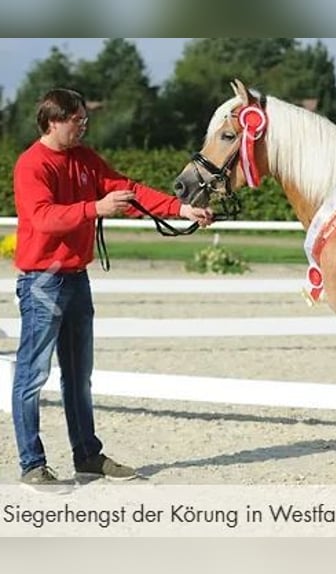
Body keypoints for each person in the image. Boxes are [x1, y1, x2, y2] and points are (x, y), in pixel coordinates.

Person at [11, 87, 214, 491]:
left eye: (85, 119)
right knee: (32, 377)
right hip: (42, 283)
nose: (84, 125)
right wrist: (95, 208)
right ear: (54, 121)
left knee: (78, 376)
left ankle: (87, 456)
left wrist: (181, 209)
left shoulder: (84, 159)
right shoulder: (32, 165)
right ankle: (32, 465)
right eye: (77, 120)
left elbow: (129, 189)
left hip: (74, 280)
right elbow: (43, 217)